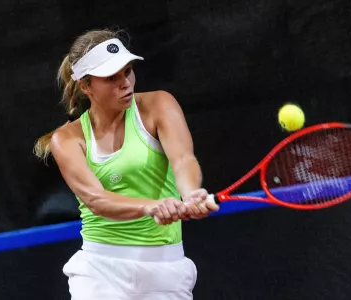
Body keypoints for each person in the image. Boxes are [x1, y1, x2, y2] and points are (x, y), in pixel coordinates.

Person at [34, 28, 219, 300]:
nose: (126, 83)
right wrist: (151, 206)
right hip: (100, 269)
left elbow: (183, 159)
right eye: (111, 78)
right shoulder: (67, 139)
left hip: (166, 267)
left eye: (128, 71)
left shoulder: (159, 104)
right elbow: (96, 200)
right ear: (86, 86)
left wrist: (191, 193)